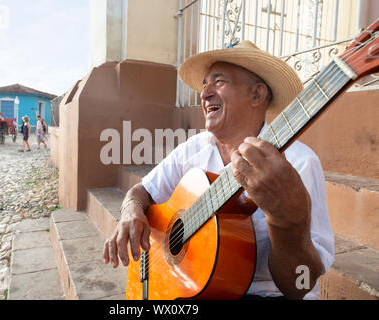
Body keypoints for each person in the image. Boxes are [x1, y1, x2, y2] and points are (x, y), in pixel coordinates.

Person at [102, 40, 334, 300]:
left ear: (257, 95)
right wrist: (131, 209)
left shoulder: (298, 163)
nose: (204, 93)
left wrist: (288, 224)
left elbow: (302, 284)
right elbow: (143, 189)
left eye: (219, 82)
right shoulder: (194, 148)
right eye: (204, 84)